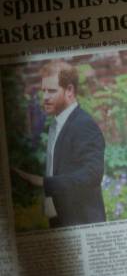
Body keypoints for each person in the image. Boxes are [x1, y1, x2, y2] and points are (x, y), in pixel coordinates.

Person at [12, 60, 105, 227]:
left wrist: (44, 182)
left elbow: (92, 174)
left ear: (69, 90)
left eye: (52, 91)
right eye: (43, 91)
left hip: (81, 222)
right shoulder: (58, 123)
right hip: (60, 219)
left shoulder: (83, 124)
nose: (45, 97)